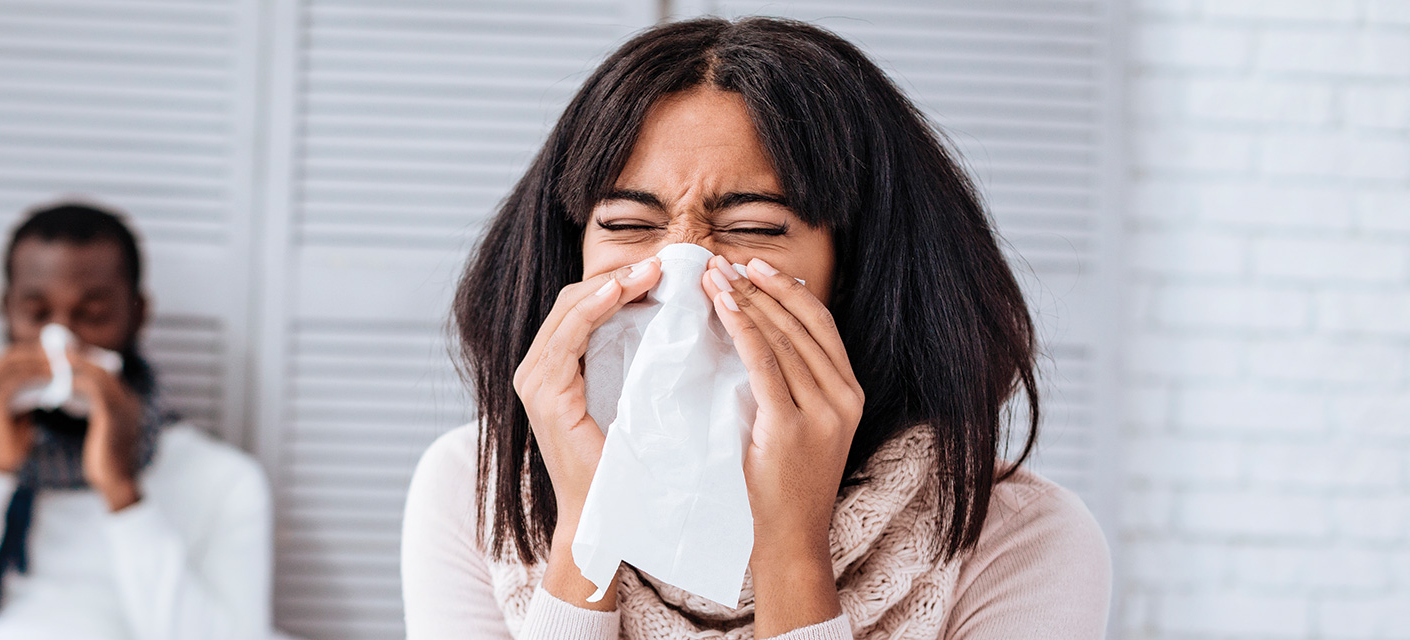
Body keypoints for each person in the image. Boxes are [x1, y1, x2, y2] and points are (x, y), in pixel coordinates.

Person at [401, 17, 1110, 640]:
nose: (680, 270)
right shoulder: (472, 489)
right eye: (628, 225)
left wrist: (793, 549)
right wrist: (592, 525)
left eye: (753, 228)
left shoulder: (1022, 539)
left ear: (861, 268)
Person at [0, 202, 272, 640]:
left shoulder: (221, 480)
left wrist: (123, 494)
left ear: (138, 314)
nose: (62, 342)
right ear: (5, 311)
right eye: (37, 314)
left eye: (93, 315)